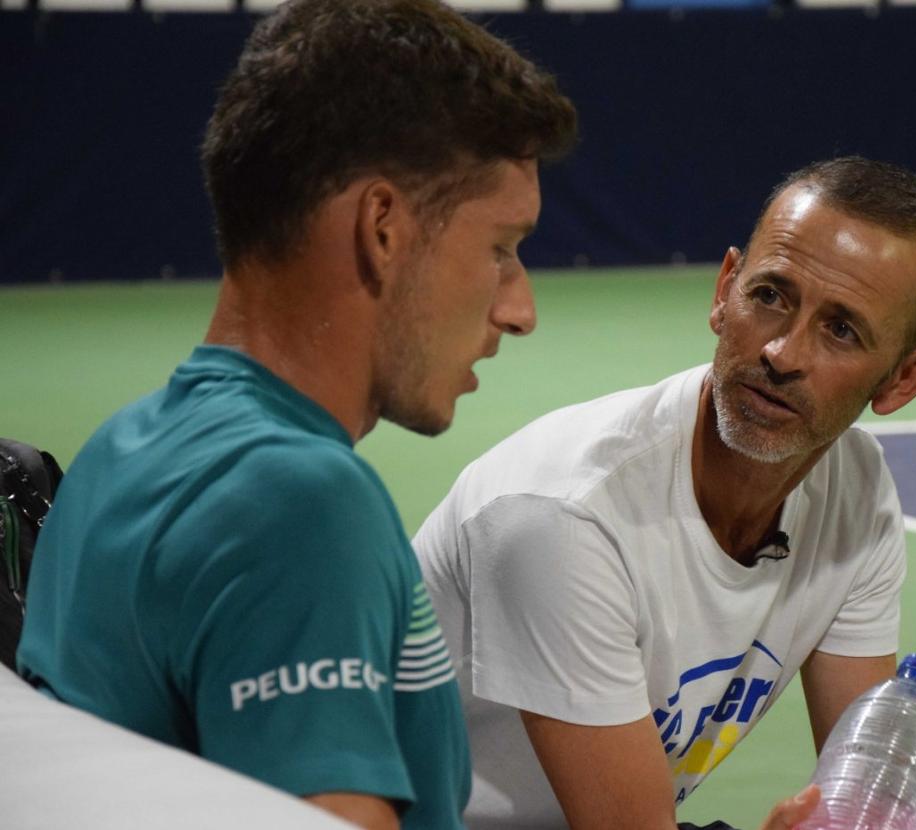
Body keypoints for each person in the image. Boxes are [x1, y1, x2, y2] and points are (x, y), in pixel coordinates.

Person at [16, 2, 576, 829]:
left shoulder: (119, 449)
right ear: (382, 228)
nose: (520, 309)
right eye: (501, 247)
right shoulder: (299, 503)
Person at [413, 156, 916, 830]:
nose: (783, 354)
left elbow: (869, 789)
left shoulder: (854, 492)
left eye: (841, 330)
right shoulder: (564, 514)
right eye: (770, 296)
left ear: (904, 380)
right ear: (725, 289)